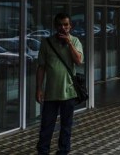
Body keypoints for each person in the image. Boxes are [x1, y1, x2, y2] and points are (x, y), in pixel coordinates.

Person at [36, 13, 84, 155]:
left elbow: (78, 61)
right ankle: (43, 151)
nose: (62, 28)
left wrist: (69, 43)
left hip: (69, 92)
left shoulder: (75, 41)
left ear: (70, 26)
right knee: (46, 125)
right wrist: (39, 88)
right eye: (59, 25)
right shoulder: (47, 43)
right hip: (51, 93)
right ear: (55, 26)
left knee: (66, 125)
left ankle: (63, 151)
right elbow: (41, 67)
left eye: (65, 25)